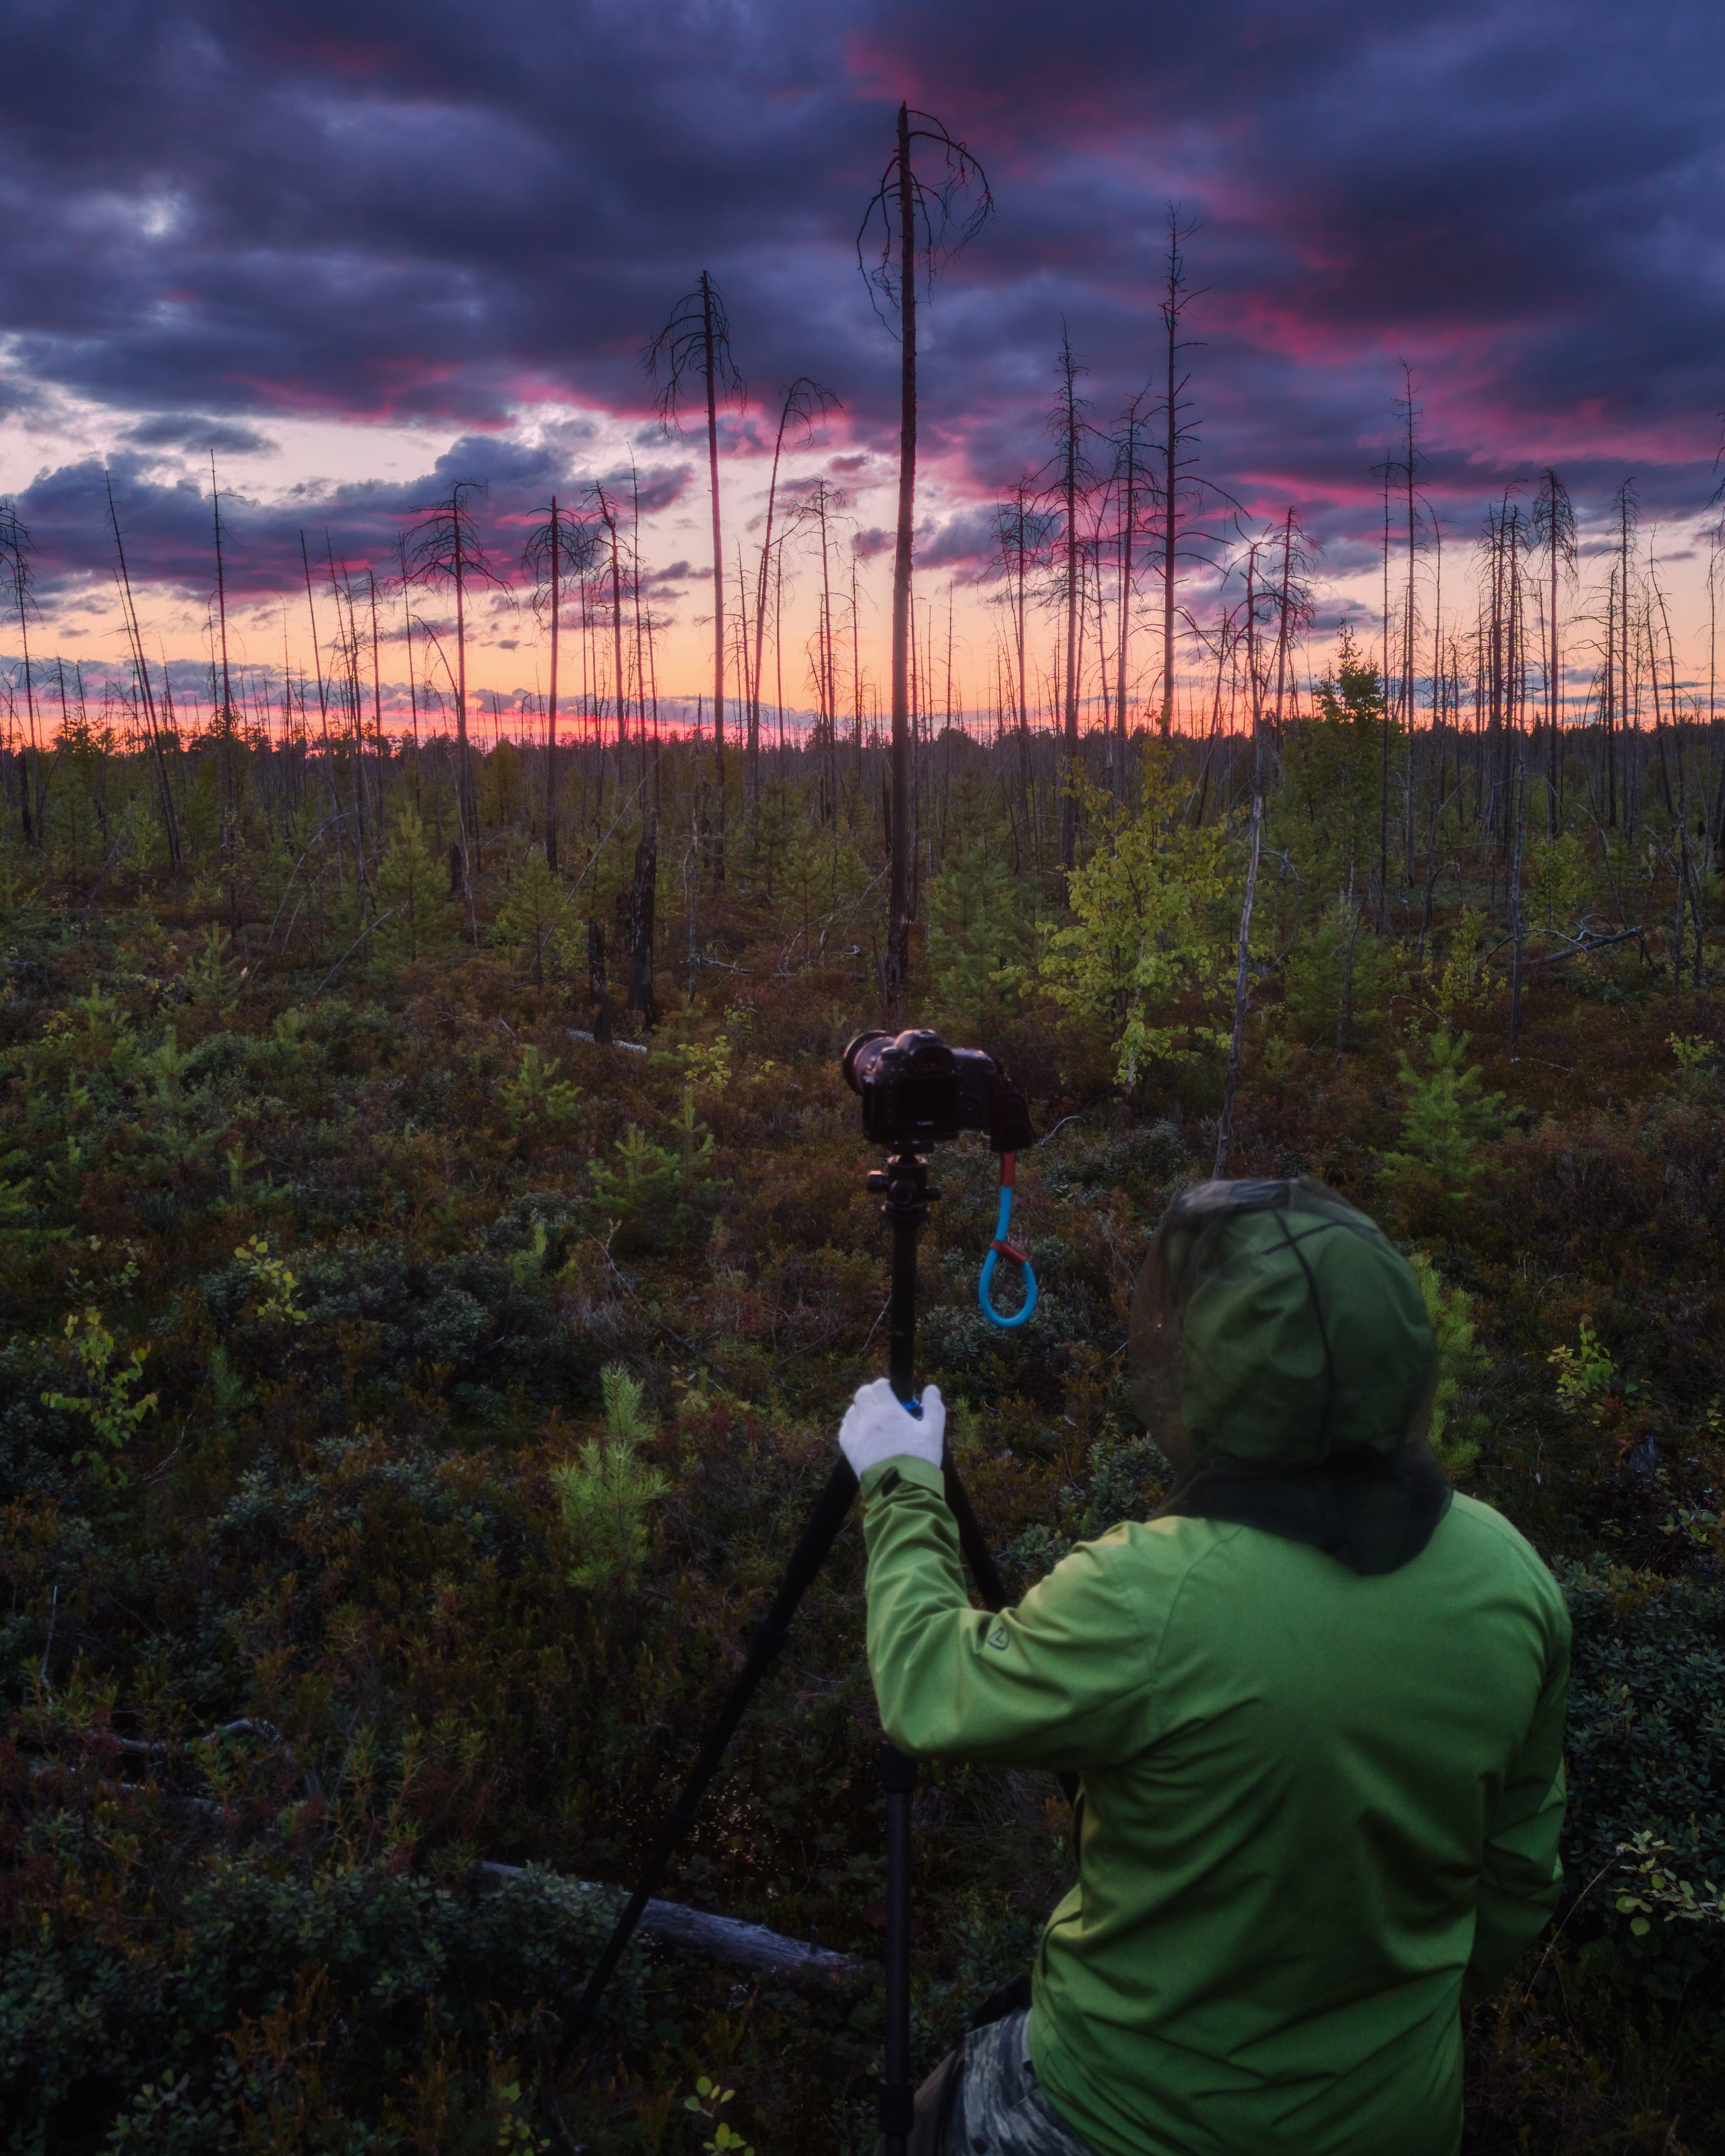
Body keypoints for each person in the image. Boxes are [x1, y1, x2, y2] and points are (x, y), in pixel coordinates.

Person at [839, 1176, 1569, 2156]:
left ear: (1214, 1383)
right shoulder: (1509, 1573)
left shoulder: (1154, 1594)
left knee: (934, 2117)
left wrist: (900, 1479)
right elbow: (1519, 1883)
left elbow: (929, 1689)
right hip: (1397, 2118)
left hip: (1129, 2116)